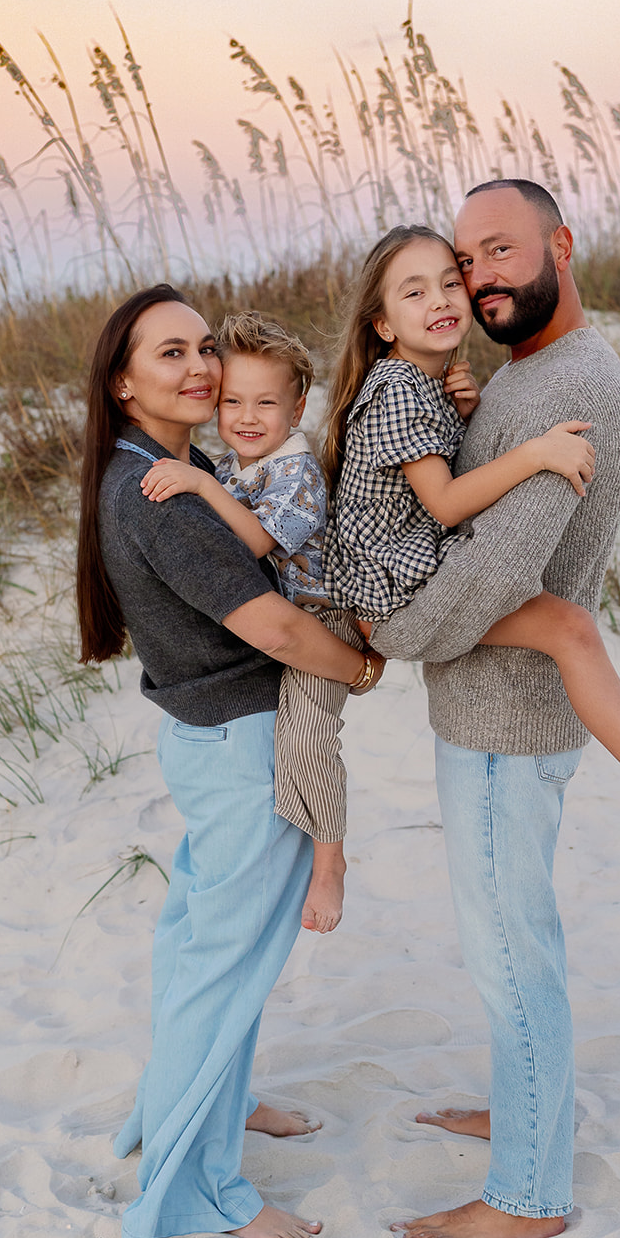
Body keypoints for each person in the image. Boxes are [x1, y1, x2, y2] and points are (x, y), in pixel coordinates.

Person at [335, 184, 620, 1238]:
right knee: (516, 939)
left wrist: (393, 637)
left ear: (560, 246)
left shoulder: (561, 388)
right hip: (509, 708)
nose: (478, 277)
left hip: (503, 729)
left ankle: (525, 1196)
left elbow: (498, 574)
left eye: (497, 252)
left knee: (508, 953)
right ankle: (526, 1111)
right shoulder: (530, 375)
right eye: (460, 263)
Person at [75, 283, 382, 1238]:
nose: (200, 367)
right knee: (223, 969)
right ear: (123, 384)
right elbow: (277, 625)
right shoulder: (157, 494)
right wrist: (358, 668)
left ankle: (216, 1102)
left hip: (211, 738)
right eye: (169, 354)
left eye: (203, 346)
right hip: (242, 744)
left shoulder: (172, 467)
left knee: (203, 955)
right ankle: (202, 1186)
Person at [321, 221, 620, 864]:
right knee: (569, 628)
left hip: (410, 579)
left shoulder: (424, 383)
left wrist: (467, 409)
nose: (442, 301)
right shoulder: (397, 390)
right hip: (392, 605)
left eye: (450, 283)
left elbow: (440, 477)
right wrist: (535, 451)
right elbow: (448, 501)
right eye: (414, 292)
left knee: (570, 630)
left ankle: (617, 708)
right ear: (382, 325)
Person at [137, 310, 366, 936]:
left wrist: (199, 483)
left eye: (266, 403)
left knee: (309, 737)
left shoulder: (294, 471)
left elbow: (258, 543)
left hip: (324, 622)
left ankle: (330, 859)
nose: (245, 416)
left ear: (295, 412)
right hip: (287, 624)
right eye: (232, 400)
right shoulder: (238, 465)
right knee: (288, 749)